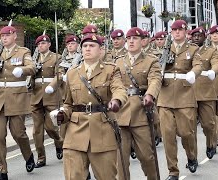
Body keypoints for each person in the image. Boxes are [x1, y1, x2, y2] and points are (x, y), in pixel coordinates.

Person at [50, 34, 127, 180]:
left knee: (107, 177)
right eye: (85, 46)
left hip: (102, 131)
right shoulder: (73, 73)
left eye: (92, 46)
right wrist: (62, 114)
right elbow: (68, 104)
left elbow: (119, 89)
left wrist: (116, 101)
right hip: (76, 132)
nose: (88, 49)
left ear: (100, 50)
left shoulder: (111, 70)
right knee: (73, 176)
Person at [0, 25, 36, 180]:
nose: (4, 38)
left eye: (7, 35)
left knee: (19, 134)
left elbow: (32, 67)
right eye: (2, 36)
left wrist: (23, 71)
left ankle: (28, 155)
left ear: (14, 36)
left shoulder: (24, 51)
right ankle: (2, 171)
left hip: (17, 99)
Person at [157, 20, 202, 180]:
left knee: (186, 133)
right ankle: (173, 171)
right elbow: (156, 67)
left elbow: (198, 65)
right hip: (165, 97)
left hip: (184, 95)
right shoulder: (163, 49)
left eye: (179, 30)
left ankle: (191, 156)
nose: (176, 32)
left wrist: (193, 73)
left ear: (185, 31)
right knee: (168, 136)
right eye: (174, 30)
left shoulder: (193, 49)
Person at [115, 27, 162, 180]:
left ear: (143, 41)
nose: (131, 41)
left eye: (135, 39)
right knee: (121, 160)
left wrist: (150, 94)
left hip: (141, 113)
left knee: (147, 157)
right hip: (121, 114)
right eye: (129, 39)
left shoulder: (151, 60)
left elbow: (155, 79)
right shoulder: (118, 62)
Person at [30, 34, 64, 168]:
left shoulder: (56, 57)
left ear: (49, 44)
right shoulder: (33, 59)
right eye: (38, 44)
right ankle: (41, 158)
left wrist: (52, 86)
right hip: (36, 96)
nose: (40, 46)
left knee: (50, 127)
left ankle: (59, 142)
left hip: (51, 95)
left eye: (43, 44)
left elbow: (60, 74)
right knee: (36, 130)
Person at [191, 26, 218, 159]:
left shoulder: (211, 51)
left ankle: (211, 144)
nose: (196, 38)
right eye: (194, 35)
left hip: (206, 92)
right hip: (188, 93)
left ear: (205, 37)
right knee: (190, 129)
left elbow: (216, 64)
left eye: (199, 35)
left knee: (208, 124)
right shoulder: (187, 51)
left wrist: (213, 71)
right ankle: (192, 157)